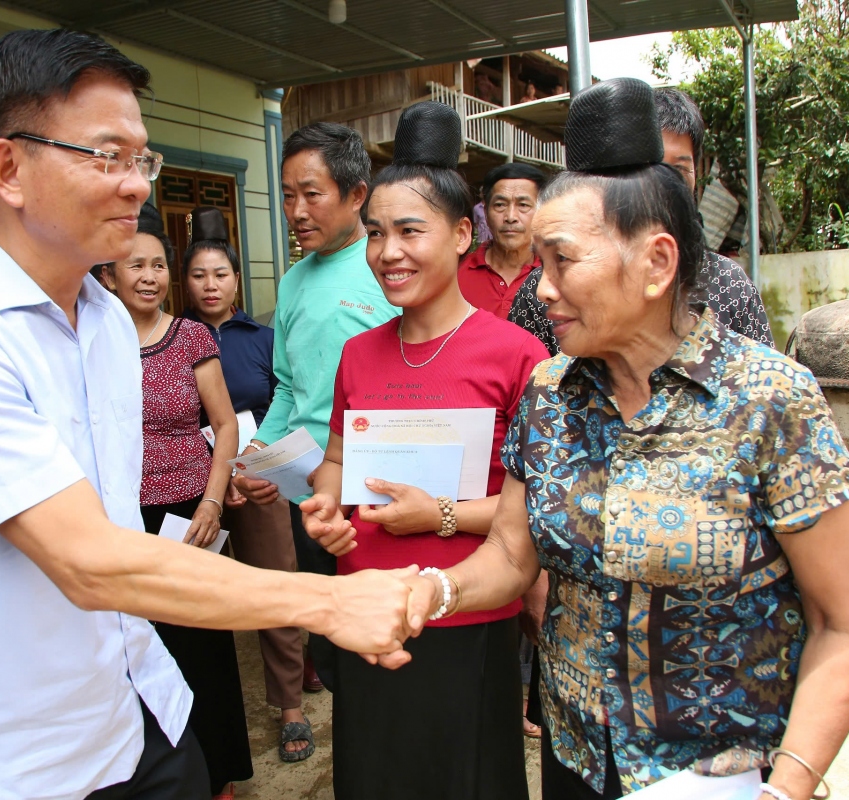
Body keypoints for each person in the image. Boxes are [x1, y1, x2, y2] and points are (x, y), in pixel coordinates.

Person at [0, 29, 421, 800]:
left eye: (142, 159)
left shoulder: (101, 317)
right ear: (9, 168)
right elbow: (89, 560)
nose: (137, 186)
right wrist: (327, 601)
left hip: (136, 709)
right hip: (14, 754)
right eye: (107, 156)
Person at [393, 78, 849, 800]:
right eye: (539, 265)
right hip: (578, 759)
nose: (542, 288)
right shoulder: (549, 393)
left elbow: (844, 623)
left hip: (724, 777)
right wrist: (433, 589)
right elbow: (509, 553)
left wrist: (790, 785)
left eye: (563, 262)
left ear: (656, 262)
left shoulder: (771, 402)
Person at [300, 102, 549, 800]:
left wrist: (438, 515)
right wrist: (325, 505)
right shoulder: (359, 353)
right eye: (376, 233)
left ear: (463, 234)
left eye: (410, 230)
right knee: (375, 774)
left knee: (465, 777)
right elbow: (339, 464)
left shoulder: (518, 356)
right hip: (367, 609)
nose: (388, 252)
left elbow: (533, 512)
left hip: (469, 611)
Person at [232, 122, 400, 691]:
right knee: (333, 646)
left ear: (356, 195)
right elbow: (287, 387)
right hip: (310, 497)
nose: (296, 210)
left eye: (311, 193)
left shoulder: (389, 271)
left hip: (382, 494)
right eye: (286, 195)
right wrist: (256, 454)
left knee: (387, 634)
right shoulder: (294, 281)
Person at [110, 204, 253, 800]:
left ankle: (217, 771)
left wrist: (213, 504)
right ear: (108, 275)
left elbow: (223, 426)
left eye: (157, 265)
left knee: (202, 640)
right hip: (120, 516)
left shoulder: (191, 336)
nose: (148, 276)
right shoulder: (94, 337)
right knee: (139, 647)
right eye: (133, 265)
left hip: (191, 509)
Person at [179, 206, 313, 763]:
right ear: (182, 282)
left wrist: (248, 468)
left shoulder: (260, 337)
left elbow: (284, 399)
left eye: (221, 274)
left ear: (237, 280)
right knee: (192, 603)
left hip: (254, 478)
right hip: (196, 485)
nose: (210, 285)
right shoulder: (171, 340)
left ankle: (290, 708)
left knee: (275, 586)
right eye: (198, 275)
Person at [508, 89, 778, 355]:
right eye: (647, 170)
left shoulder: (729, 284)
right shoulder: (540, 297)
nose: (660, 188)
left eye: (677, 171)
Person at [654, 87, 774, 345]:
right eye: (655, 167)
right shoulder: (569, 291)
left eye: (679, 169)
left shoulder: (730, 283)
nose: (666, 183)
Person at [458, 162, 547, 318]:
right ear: (485, 212)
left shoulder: (554, 277)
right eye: (500, 205)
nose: (511, 217)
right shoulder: (457, 274)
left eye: (523, 205)